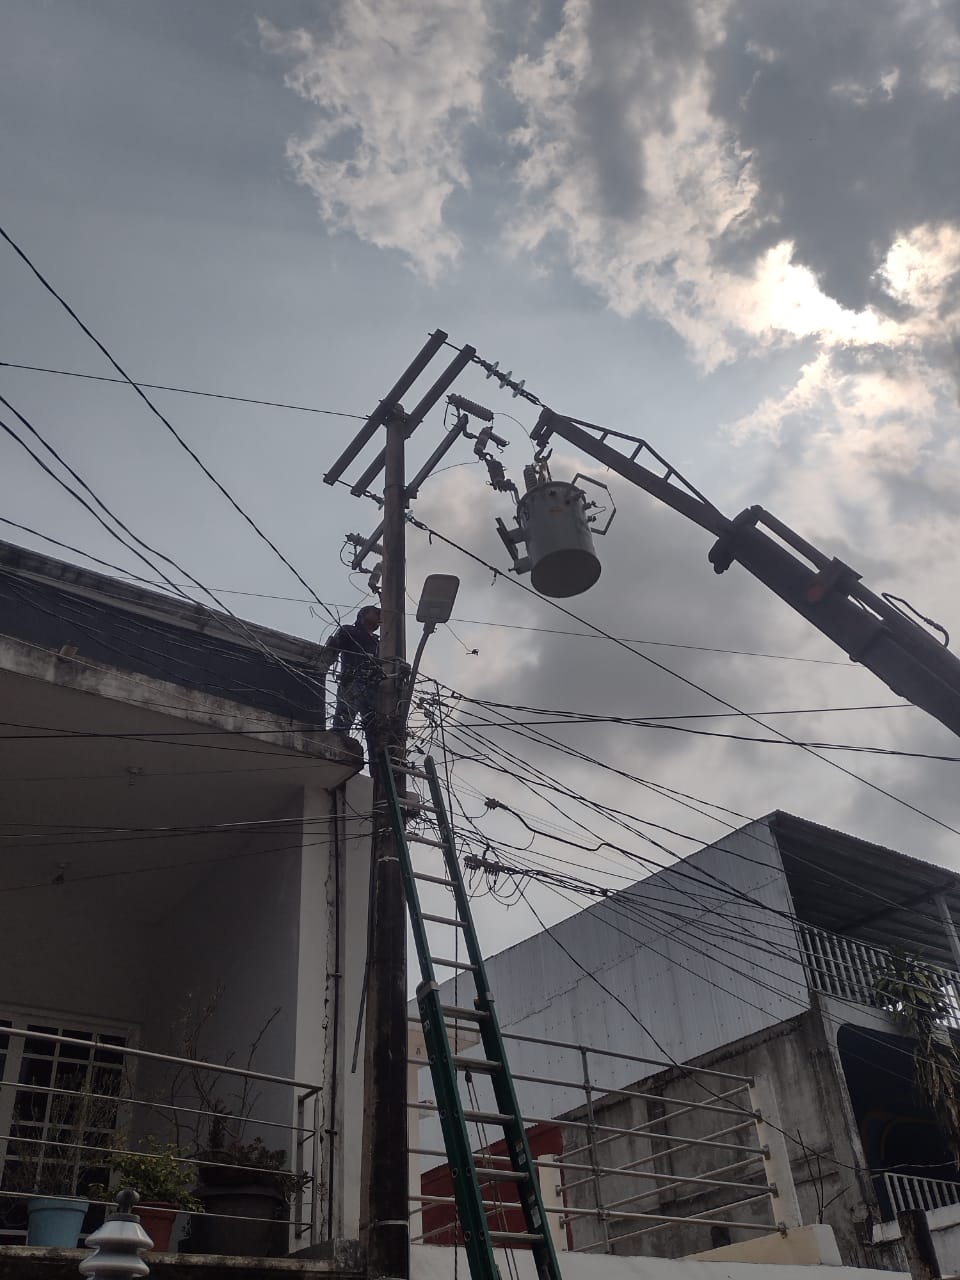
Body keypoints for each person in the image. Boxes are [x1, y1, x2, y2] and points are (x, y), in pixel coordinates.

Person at [319, 605, 382, 764]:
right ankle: (336, 750)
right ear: (363, 615)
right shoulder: (350, 631)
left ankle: (378, 765)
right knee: (344, 719)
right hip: (352, 681)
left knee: (375, 730)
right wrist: (322, 665)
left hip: (372, 688)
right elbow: (332, 649)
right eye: (376, 613)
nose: (379, 617)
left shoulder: (378, 642)